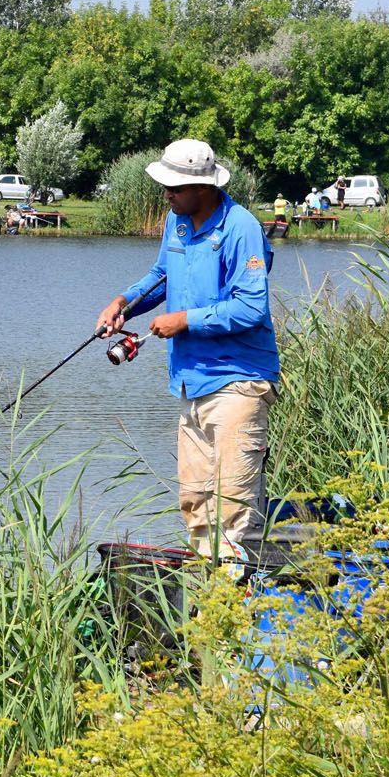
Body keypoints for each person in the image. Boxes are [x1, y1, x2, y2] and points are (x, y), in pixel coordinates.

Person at [96, 138, 280, 564]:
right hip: (190, 383)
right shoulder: (176, 221)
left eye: (175, 188)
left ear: (204, 187)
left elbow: (251, 307)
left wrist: (185, 320)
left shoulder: (241, 227)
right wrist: (124, 303)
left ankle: (241, 605)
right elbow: (163, 275)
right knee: (195, 504)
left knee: (233, 507)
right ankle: (206, 603)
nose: (167, 194)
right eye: (166, 187)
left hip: (239, 382)